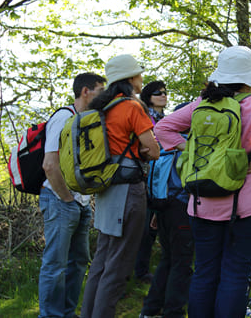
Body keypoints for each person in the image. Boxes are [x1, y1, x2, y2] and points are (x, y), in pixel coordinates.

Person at [155, 46, 251, 318]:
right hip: (247, 201)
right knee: (236, 271)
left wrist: (188, 150)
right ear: (249, 78)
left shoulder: (202, 104)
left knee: (204, 271)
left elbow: (162, 128)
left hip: (203, 200)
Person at [80, 54, 160, 318]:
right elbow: (153, 148)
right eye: (138, 74)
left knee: (102, 262)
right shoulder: (132, 107)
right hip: (128, 191)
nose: (141, 79)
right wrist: (144, 153)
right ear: (130, 78)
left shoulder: (103, 106)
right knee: (118, 266)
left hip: (106, 188)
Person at [38, 73, 106, 318]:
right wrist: (67, 198)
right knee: (55, 264)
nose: (104, 94)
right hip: (59, 199)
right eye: (100, 89)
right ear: (85, 91)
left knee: (78, 262)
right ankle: (50, 315)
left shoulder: (86, 119)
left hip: (80, 202)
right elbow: (50, 164)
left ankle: (66, 312)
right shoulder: (64, 117)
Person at [139, 103, 193, 318]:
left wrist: (156, 212)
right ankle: (173, 312)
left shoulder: (160, 142)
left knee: (168, 259)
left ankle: (151, 310)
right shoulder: (184, 145)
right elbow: (189, 182)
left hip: (162, 208)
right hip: (181, 207)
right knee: (182, 262)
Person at [133, 80, 169, 283]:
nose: (163, 96)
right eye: (158, 93)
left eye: (164, 92)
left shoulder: (166, 119)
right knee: (143, 227)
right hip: (144, 175)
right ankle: (137, 271)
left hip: (161, 177)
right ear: (148, 97)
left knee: (155, 225)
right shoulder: (143, 117)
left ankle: (144, 269)